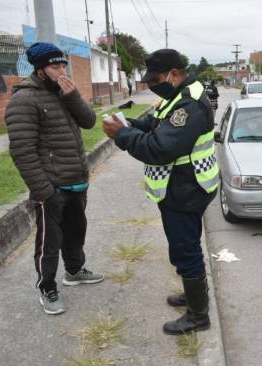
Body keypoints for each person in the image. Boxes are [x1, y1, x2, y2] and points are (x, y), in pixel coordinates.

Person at [102, 49, 219, 335]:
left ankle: (197, 316)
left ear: (174, 74)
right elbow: (159, 128)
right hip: (184, 186)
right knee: (184, 246)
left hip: (185, 190)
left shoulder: (188, 105)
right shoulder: (179, 95)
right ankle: (192, 296)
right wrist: (131, 124)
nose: (153, 84)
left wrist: (122, 135)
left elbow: (159, 149)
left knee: (185, 250)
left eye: (155, 79)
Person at [5, 42, 104, 315]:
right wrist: (44, 190)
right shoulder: (24, 100)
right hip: (51, 188)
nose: (61, 71)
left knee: (76, 232)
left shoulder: (65, 92)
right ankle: (47, 287)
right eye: (54, 66)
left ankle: (73, 271)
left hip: (76, 181)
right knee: (49, 243)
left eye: (63, 65)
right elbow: (22, 151)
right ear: (39, 69)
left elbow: (89, 122)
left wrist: (72, 97)